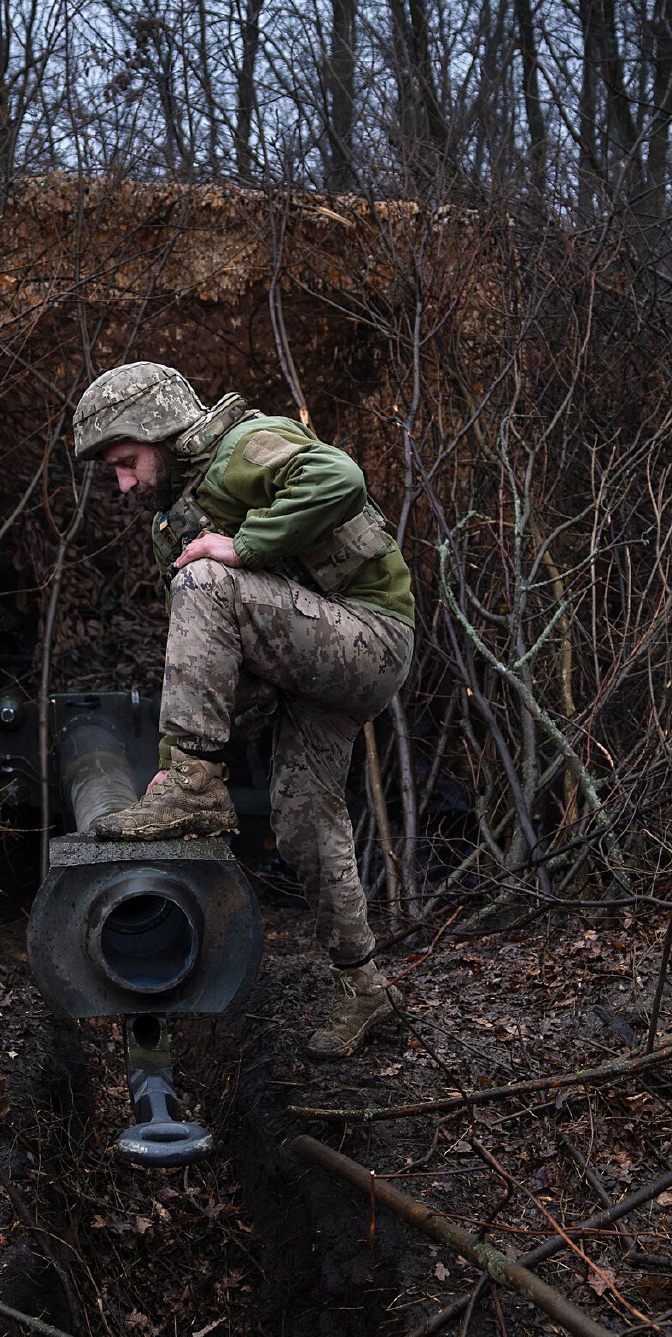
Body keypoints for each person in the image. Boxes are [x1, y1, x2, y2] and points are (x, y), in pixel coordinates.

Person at [68, 362, 416, 1059]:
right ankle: (365, 989)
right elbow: (225, 659)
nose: (124, 483)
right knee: (301, 824)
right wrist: (174, 767)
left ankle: (196, 789)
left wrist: (245, 546)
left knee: (204, 577)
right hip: (319, 659)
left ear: (159, 431)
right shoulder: (183, 506)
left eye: (126, 462)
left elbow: (339, 479)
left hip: (368, 637)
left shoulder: (243, 449)